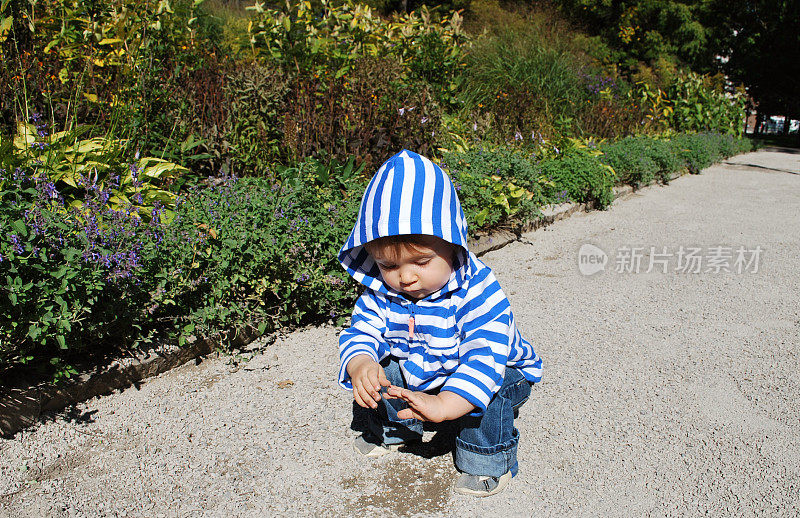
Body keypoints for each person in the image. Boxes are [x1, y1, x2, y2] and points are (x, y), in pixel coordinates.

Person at [337, 149, 543, 497]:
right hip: (428, 369)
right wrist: (360, 362)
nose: (405, 278)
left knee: (488, 394)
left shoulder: (476, 289)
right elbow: (362, 329)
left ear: (453, 246)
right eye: (388, 266)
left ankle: (486, 459)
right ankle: (398, 429)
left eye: (421, 261)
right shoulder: (381, 292)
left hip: (497, 370)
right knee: (382, 371)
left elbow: (485, 356)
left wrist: (446, 404)